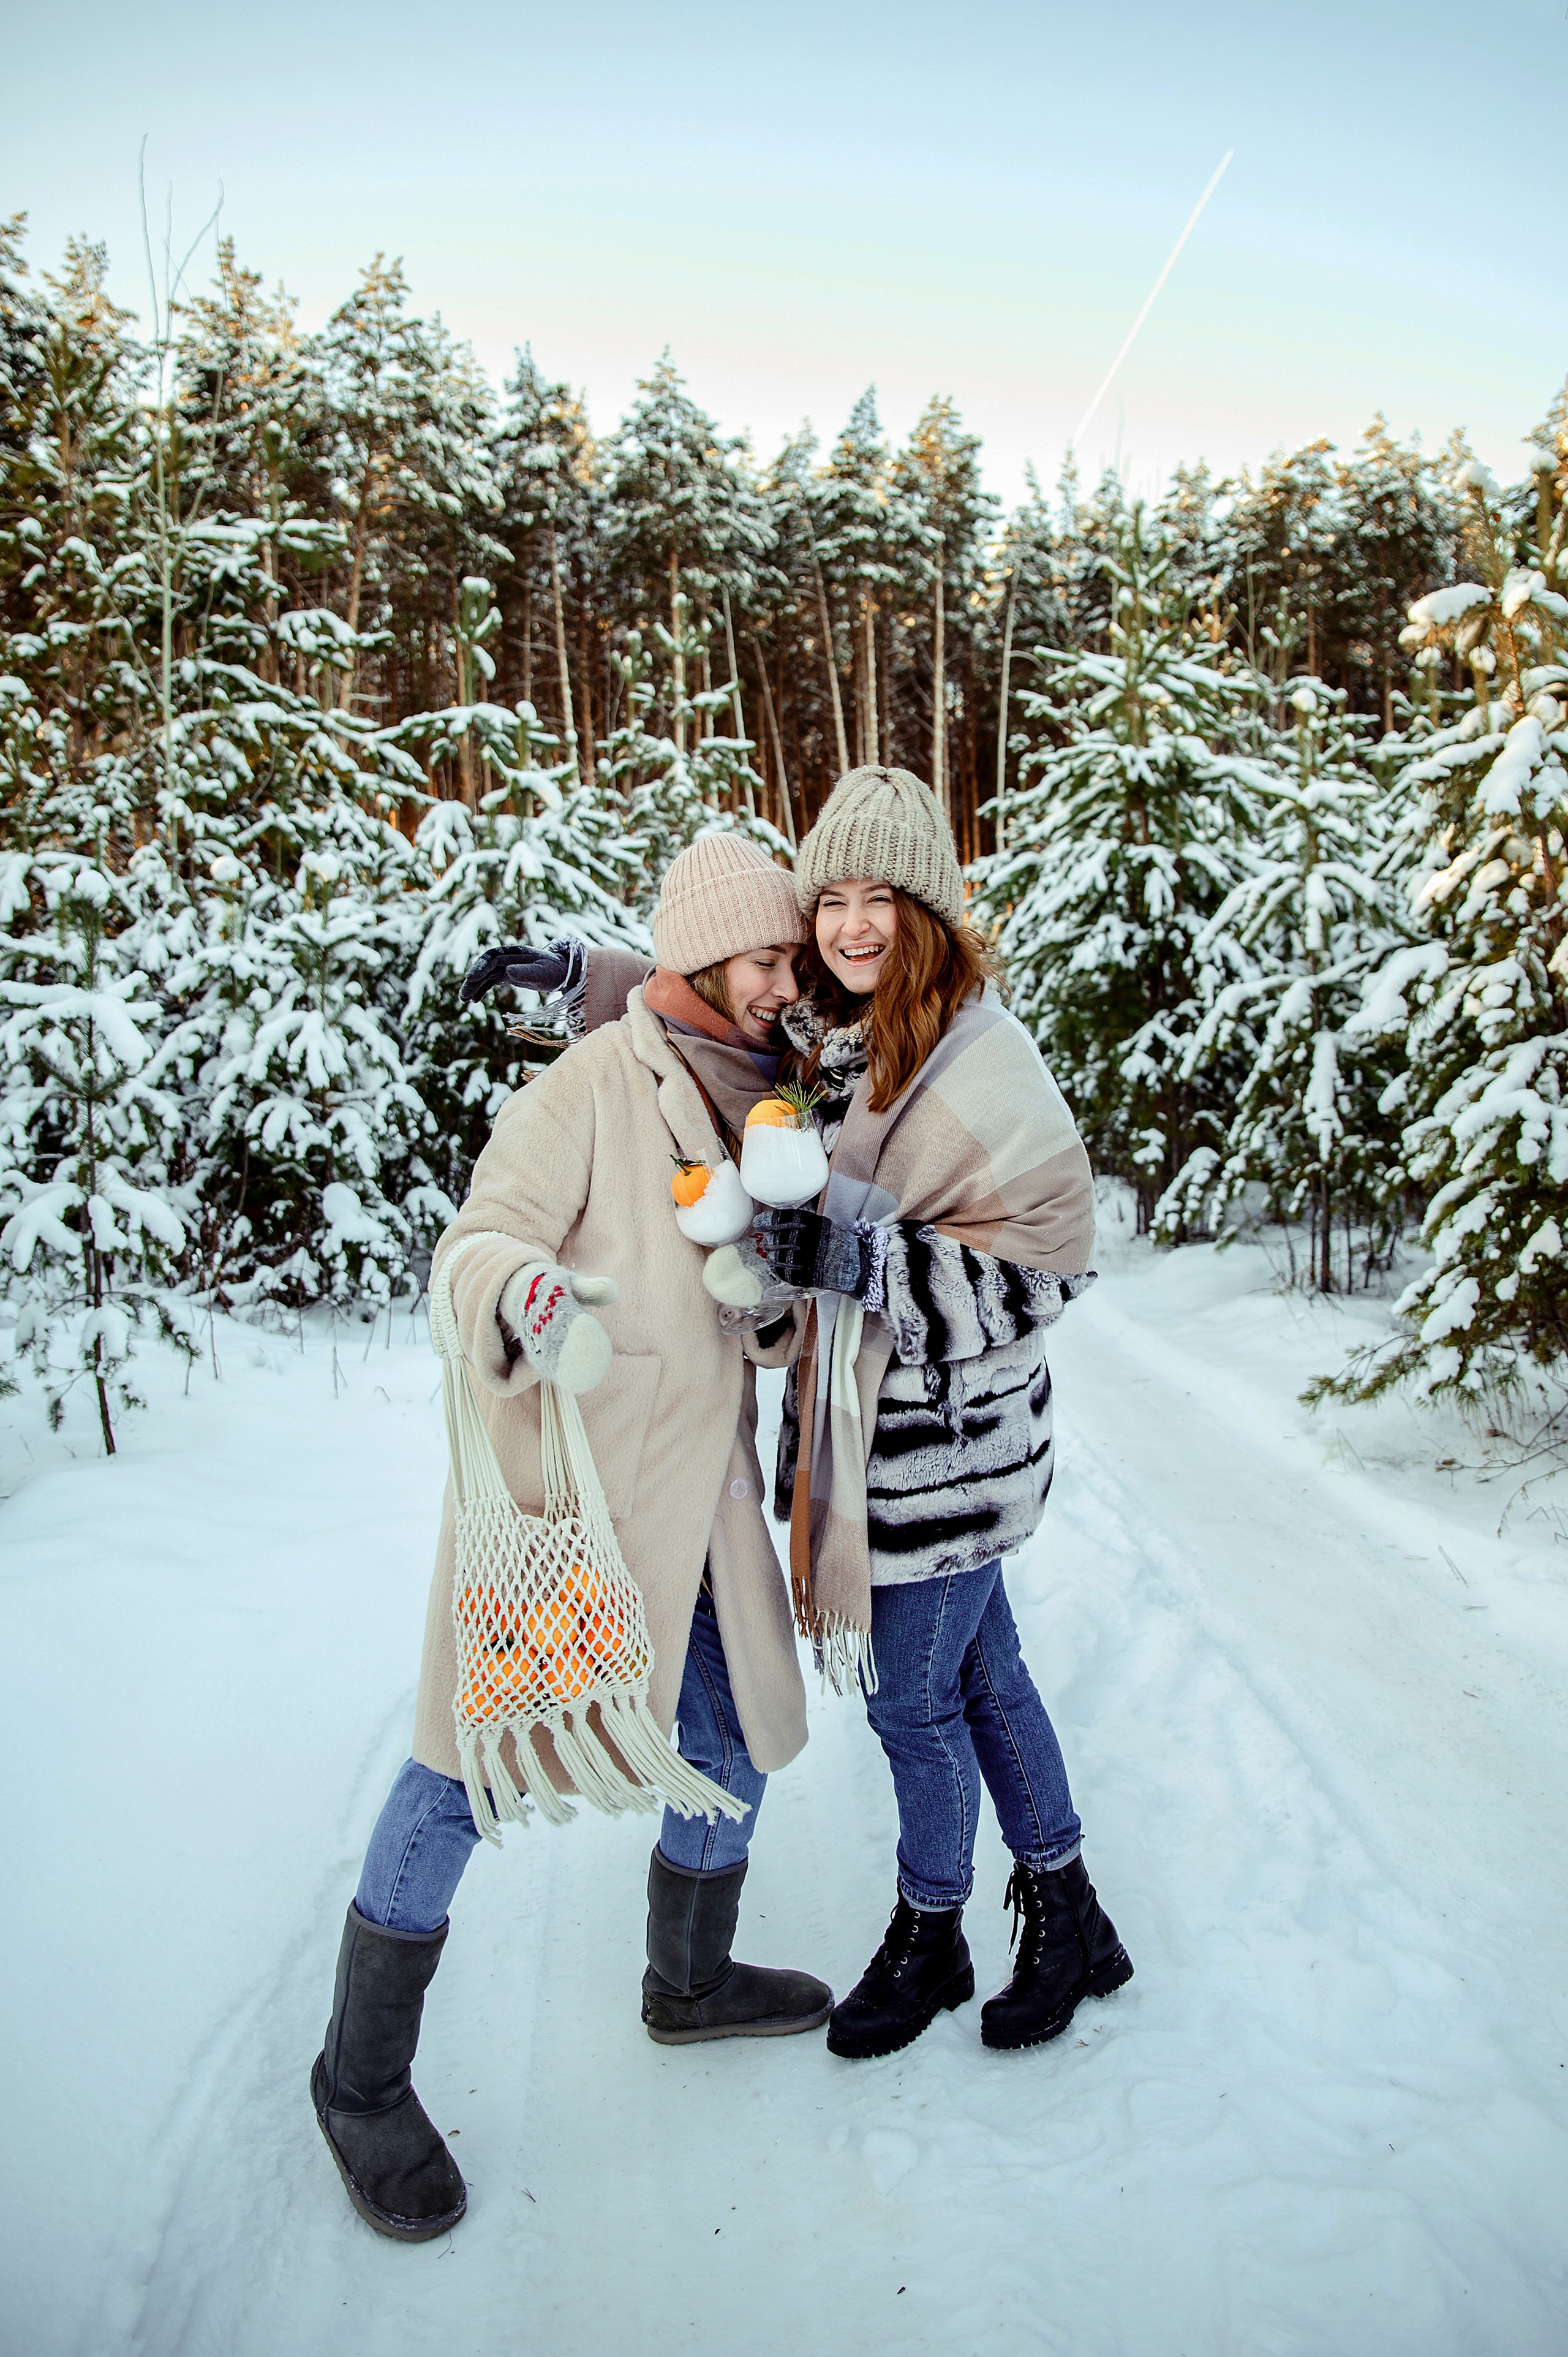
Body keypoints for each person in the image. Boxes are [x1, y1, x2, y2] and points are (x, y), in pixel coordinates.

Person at [310, 833, 832, 2245]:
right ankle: (359, 2081)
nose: (787, 982)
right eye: (766, 957)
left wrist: (773, 1302)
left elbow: (755, 1321)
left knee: (728, 1746)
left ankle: (690, 1983)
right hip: (579, 1516)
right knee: (468, 1775)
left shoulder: (764, 1102)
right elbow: (473, 1245)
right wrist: (525, 1295)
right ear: (695, 958)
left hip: (704, 1510)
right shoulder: (588, 1085)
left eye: (794, 957)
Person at [743, 763, 1134, 2062]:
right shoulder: (839, 1041)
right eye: (829, 899)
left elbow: (1046, 1266)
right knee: (985, 1674)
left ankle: (932, 1930)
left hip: (942, 1455)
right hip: (889, 1448)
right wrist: (589, 977)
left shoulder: (976, 1054)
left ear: (928, 912)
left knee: (914, 1703)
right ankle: (1070, 1912)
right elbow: (697, 985)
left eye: (881, 900)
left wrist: (857, 1263)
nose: (851, 925)